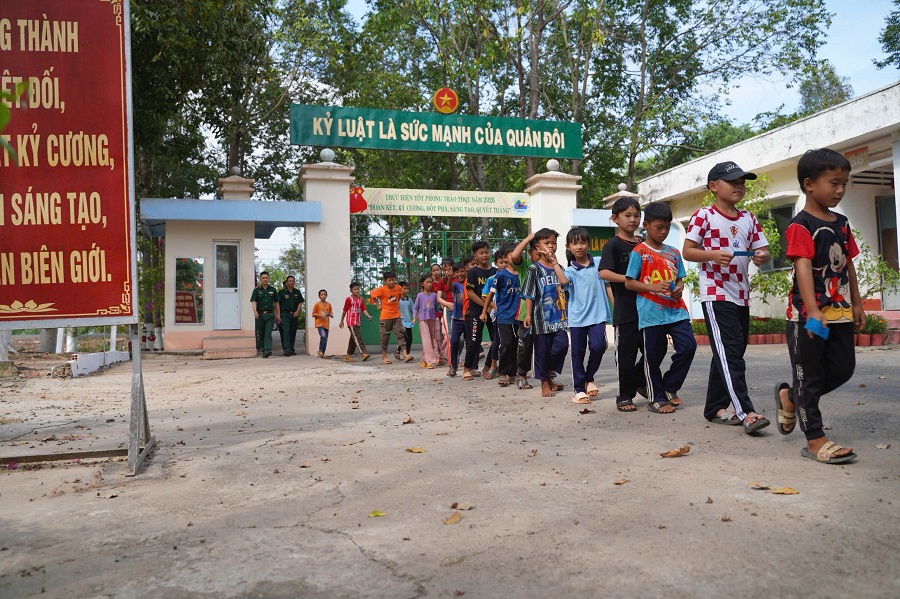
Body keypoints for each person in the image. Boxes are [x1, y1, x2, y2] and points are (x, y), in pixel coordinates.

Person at [778, 148, 863, 464]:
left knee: (843, 368)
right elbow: (802, 266)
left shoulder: (841, 222)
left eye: (844, 183)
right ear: (809, 184)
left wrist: (856, 303)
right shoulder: (801, 224)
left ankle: (791, 398)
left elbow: (848, 265)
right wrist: (812, 310)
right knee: (809, 376)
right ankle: (814, 439)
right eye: (834, 183)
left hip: (838, 312)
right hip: (807, 316)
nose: (840, 190)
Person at [683, 160, 772, 433]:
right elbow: (688, 251)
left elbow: (764, 251)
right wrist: (711, 255)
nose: (739, 186)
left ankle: (713, 407)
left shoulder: (748, 218)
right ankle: (745, 411)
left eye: (742, 182)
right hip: (715, 293)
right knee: (731, 354)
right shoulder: (704, 216)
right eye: (732, 181)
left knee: (729, 352)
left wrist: (761, 256)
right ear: (713, 186)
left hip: (741, 294)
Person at [624, 202, 696, 414]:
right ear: (646, 225)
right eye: (659, 227)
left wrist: (679, 289)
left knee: (688, 347)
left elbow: (680, 280)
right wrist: (652, 287)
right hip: (651, 313)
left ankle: (669, 387)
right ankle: (656, 397)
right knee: (652, 357)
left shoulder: (674, 253)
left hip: (676, 310)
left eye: (667, 227)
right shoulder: (639, 252)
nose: (663, 232)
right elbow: (629, 282)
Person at [600, 198, 648, 411]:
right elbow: (604, 273)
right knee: (626, 355)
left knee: (654, 350)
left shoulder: (645, 244)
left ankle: (640, 380)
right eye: (627, 215)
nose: (633, 219)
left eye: (636, 215)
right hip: (626, 311)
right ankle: (624, 395)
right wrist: (629, 280)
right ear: (615, 218)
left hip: (650, 309)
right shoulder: (612, 245)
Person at [564, 227, 611, 404]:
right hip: (577, 319)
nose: (579, 246)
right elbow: (562, 283)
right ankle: (578, 389)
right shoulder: (569, 271)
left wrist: (617, 310)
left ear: (589, 244)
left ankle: (588, 377)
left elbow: (608, 286)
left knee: (599, 346)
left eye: (583, 242)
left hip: (598, 316)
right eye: (575, 243)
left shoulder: (599, 263)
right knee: (578, 353)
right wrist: (554, 263)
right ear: (568, 247)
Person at [521, 228, 569, 397]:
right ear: (537, 246)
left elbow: (566, 288)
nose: (551, 246)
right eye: (546, 243)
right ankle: (544, 383)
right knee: (541, 351)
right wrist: (527, 315)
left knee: (561, 346)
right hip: (541, 320)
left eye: (553, 243)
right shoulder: (534, 269)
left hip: (559, 319)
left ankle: (549, 374)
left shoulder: (559, 267)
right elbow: (529, 293)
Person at [481, 243, 521, 387]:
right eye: (509, 254)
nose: (513, 257)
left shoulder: (523, 274)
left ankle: (512, 373)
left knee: (516, 346)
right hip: (503, 317)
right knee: (505, 344)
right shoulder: (501, 276)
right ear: (504, 257)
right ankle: (503, 372)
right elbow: (490, 294)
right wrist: (484, 311)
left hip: (519, 317)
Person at [462, 241, 497, 381]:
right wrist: (485, 306)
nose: (484, 255)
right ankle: (467, 368)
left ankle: (487, 367)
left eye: (486, 252)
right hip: (477, 312)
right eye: (481, 253)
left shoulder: (495, 272)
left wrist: (491, 307)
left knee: (496, 340)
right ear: (475, 256)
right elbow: (470, 293)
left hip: (493, 313)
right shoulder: (472, 272)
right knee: (474, 340)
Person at [509, 233, 537, 390]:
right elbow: (514, 256)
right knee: (525, 348)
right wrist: (527, 239)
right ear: (531, 251)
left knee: (548, 347)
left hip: (546, 316)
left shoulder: (551, 266)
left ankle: (548, 376)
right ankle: (522, 375)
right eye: (537, 252)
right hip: (526, 315)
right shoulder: (525, 266)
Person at [369, 271, 413, 364]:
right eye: (390, 280)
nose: (392, 282)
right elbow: (372, 294)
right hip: (385, 317)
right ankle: (384, 357)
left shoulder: (398, 288)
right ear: (385, 281)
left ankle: (405, 355)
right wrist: (377, 304)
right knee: (385, 337)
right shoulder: (382, 290)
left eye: (393, 280)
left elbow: (402, 296)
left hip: (397, 316)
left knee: (401, 335)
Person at [339, 281, 372, 362]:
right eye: (355, 289)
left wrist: (368, 315)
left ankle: (347, 355)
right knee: (357, 337)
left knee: (353, 339)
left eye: (358, 289)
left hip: (357, 322)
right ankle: (363, 353)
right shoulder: (349, 299)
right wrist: (341, 321)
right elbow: (344, 310)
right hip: (351, 321)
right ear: (351, 290)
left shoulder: (360, 300)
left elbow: (363, 309)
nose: (357, 290)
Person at [445, 262, 467, 377]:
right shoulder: (455, 284)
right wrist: (449, 278)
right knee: (454, 342)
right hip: (457, 318)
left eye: (462, 271)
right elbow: (448, 288)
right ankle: (453, 367)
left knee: (472, 344)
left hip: (468, 318)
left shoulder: (470, 283)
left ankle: (471, 367)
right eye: (457, 272)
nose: (460, 274)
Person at [413, 274, 441, 368]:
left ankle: (424, 359)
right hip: (423, 320)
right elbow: (416, 308)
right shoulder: (420, 296)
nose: (429, 284)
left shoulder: (434, 295)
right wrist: (414, 317)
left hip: (432, 319)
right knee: (426, 341)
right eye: (427, 282)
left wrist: (442, 313)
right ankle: (430, 362)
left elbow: (436, 308)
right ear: (422, 284)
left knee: (432, 340)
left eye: (431, 282)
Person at [250, 271, 280, 358]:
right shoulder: (256, 290)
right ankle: (263, 349)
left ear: (268, 279)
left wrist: (278, 314)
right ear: (260, 279)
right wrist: (255, 311)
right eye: (263, 278)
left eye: (266, 278)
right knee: (261, 333)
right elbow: (254, 301)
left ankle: (268, 350)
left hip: (270, 314)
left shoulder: (273, 290)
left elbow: (277, 302)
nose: (265, 279)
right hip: (260, 314)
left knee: (268, 333)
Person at [279, 275, 304, 357]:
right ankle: (286, 349)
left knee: (293, 331)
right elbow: (277, 303)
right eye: (289, 281)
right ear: (286, 282)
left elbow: (300, 302)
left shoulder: (297, 292)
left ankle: (291, 348)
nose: (291, 282)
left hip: (294, 314)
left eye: (292, 281)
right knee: (286, 331)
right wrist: (277, 314)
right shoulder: (282, 292)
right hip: (284, 314)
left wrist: (297, 311)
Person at [430, 263, 449, 365]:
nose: (436, 272)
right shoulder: (430, 284)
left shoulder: (445, 282)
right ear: (431, 272)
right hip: (435, 313)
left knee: (446, 335)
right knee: (437, 336)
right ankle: (439, 357)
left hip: (446, 311)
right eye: (434, 270)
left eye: (438, 270)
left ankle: (444, 355)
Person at [311, 289, 333, 358]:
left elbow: (330, 312)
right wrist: (321, 315)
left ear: (326, 295)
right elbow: (313, 314)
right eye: (322, 295)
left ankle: (322, 353)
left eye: (324, 295)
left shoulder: (328, 304)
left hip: (326, 324)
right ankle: (320, 350)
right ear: (319, 296)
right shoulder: (317, 304)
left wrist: (330, 315)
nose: (323, 296)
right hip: (319, 324)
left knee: (325, 339)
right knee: (323, 336)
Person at [397, 281, 414, 360]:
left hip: (408, 322)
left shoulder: (409, 300)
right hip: (400, 322)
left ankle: (400, 351)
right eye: (404, 289)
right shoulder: (397, 300)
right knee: (404, 338)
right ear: (400, 289)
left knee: (410, 338)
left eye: (407, 289)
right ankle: (405, 354)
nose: (406, 290)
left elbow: (413, 310)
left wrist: (415, 317)